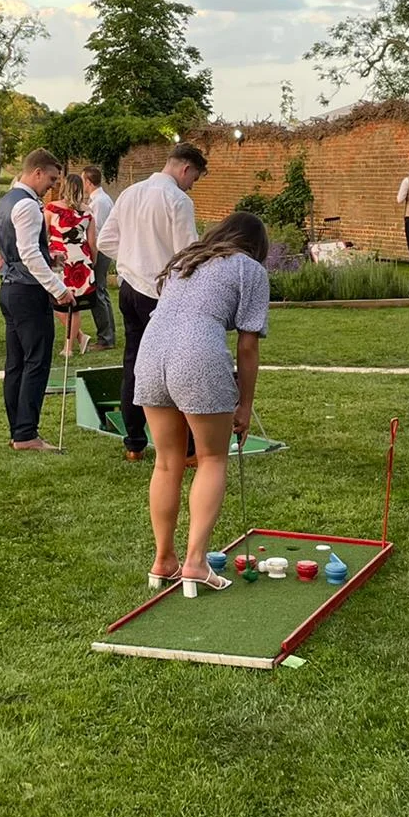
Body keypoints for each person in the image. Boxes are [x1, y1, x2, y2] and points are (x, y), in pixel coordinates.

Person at [133, 211, 269, 597]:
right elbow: (248, 344)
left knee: (166, 460)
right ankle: (195, 563)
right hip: (198, 355)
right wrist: (244, 404)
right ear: (256, 247)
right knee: (212, 458)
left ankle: (164, 561)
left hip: (152, 352)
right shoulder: (250, 270)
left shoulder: (186, 260)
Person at [97, 143, 207, 463]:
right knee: (175, 368)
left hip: (129, 288)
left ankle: (133, 441)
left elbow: (106, 241)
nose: (192, 185)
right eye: (194, 179)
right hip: (160, 293)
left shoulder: (130, 192)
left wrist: (131, 258)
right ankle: (185, 449)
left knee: (134, 362)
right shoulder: (177, 199)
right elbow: (189, 255)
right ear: (185, 169)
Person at [0, 149, 74, 451]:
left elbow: (7, 251)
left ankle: (18, 430)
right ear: (37, 172)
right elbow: (27, 253)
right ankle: (27, 434)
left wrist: (49, 255)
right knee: (36, 362)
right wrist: (58, 288)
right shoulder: (27, 205)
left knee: (15, 363)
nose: (52, 186)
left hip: (9, 290)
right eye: (51, 179)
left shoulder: (5, 202)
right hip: (28, 292)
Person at [45, 173, 97, 358]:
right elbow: (92, 242)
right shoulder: (88, 212)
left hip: (59, 259)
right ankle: (78, 338)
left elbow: (43, 236)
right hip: (80, 259)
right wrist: (92, 262)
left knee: (60, 302)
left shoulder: (51, 209)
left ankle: (69, 347)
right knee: (70, 304)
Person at [82, 166, 116, 349]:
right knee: (101, 292)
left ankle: (106, 337)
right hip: (100, 250)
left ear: (88, 181)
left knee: (98, 293)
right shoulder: (99, 200)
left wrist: (92, 253)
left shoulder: (100, 202)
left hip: (100, 251)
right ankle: (108, 334)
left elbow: (98, 231)